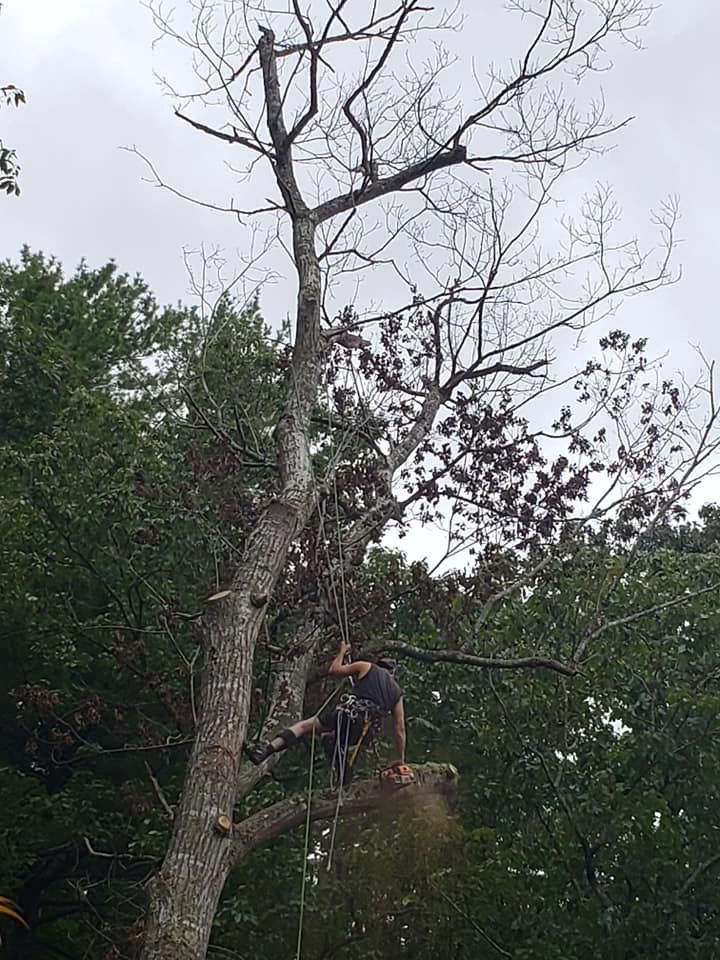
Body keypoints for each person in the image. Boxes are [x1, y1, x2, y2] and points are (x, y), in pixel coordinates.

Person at [246, 641, 406, 768]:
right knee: (328, 736)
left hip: (349, 715)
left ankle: (265, 750)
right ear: (393, 673)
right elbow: (400, 729)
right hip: (365, 732)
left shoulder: (367, 666)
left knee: (304, 727)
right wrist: (400, 759)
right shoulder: (397, 693)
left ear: (379, 665)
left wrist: (342, 651)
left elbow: (334, 670)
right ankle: (343, 773)